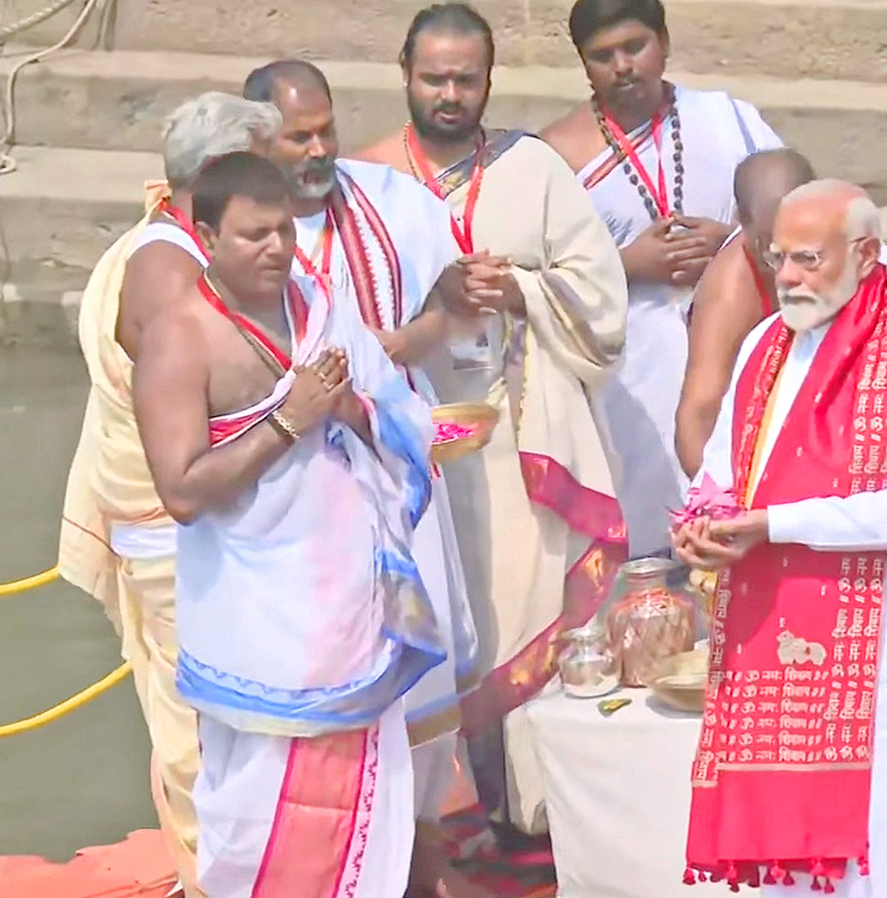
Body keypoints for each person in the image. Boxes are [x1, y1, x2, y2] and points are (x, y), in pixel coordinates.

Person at [133, 151, 443, 898]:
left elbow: (396, 411)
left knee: (364, 818)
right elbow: (180, 492)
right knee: (255, 818)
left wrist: (350, 410)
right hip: (258, 622)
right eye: (253, 235)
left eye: (284, 231)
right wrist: (287, 422)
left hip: (349, 607)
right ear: (204, 237)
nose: (276, 249)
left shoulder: (318, 302)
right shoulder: (180, 337)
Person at [358, 2, 630, 837]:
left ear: (488, 82)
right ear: (404, 72)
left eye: (465, 80)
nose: (449, 94)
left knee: (523, 604)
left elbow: (603, 292)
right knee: (434, 618)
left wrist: (521, 289)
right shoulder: (365, 177)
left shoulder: (534, 169)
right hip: (410, 444)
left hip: (518, 433)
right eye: (434, 77)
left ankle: (539, 810)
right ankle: (435, 825)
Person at [672, 180, 887, 897]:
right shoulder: (762, 349)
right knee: (787, 850)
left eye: (809, 259)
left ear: (864, 255)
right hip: (771, 630)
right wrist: (699, 526)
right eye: (778, 261)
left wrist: (775, 525)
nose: (790, 279)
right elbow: (720, 474)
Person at [243, 58, 483, 898]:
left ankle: (417, 864)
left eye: (326, 131)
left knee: (425, 672)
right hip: (297, 500)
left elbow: (452, 310)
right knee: (327, 686)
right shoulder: (238, 233)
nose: (318, 151)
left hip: (398, 476)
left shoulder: (391, 203)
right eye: (298, 137)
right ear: (257, 140)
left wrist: (428, 319)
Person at [58, 92, 284, 898]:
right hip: (175, 532)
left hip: (163, 526)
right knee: (205, 734)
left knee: (202, 724)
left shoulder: (164, 242)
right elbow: (208, 429)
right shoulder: (167, 273)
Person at [540, 0, 781, 558]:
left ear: (664, 44)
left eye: (635, 47)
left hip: (738, 352)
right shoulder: (555, 155)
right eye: (603, 56)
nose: (623, 65)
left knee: (749, 526)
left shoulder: (728, 119)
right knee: (648, 554)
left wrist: (730, 241)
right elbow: (533, 285)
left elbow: (797, 217)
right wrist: (625, 265)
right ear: (584, 65)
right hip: (631, 382)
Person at [675, 149, 887, 478]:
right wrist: (717, 507)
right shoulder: (732, 292)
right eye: (773, 250)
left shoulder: (883, 269)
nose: (789, 273)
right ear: (743, 222)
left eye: (806, 253)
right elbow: (699, 410)